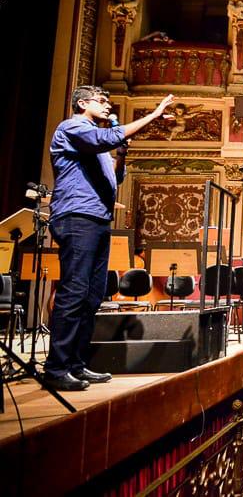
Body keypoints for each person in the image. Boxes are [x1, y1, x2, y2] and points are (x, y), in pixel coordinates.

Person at [43, 87, 175, 391]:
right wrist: (154, 114)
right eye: (101, 101)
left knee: (92, 295)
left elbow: (115, 178)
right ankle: (56, 368)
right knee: (74, 292)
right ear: (82, 103)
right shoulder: (73, 127)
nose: (107, 106)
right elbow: (108, 137)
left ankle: (76, 364)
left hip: (98, 219)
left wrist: (122, 154)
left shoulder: (99, 144)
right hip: (77, 217)